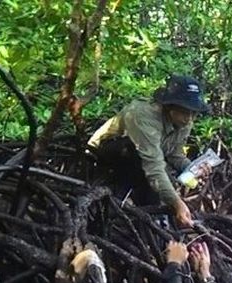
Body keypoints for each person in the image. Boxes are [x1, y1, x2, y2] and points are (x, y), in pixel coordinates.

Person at [88, 75, 211, 227]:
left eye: (194, 113)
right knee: (138, 156)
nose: (190, 119)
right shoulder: (144, 116)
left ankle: (152, 219)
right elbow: (153, 166)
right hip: (105, 152)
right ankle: (120, 212)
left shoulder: (184, 123)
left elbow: (174, 154)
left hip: (139, 160)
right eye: (186, 112)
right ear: (171, 106)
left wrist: (192, 168)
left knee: (150, 168)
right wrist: (176, 202)